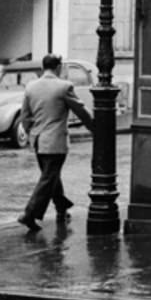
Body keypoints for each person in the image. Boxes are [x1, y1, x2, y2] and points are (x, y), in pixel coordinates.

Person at [17, 54, 94, 232]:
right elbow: (81, 110)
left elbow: (25, 117)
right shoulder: (64, 86)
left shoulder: (31, 87)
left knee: (51, 175)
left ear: (44, 67)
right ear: (58, 67)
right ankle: (29, 214)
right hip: (55, 140)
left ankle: (61, 207)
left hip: (38, 140)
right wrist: (95, 128)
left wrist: (32, 133)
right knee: (48, 178)